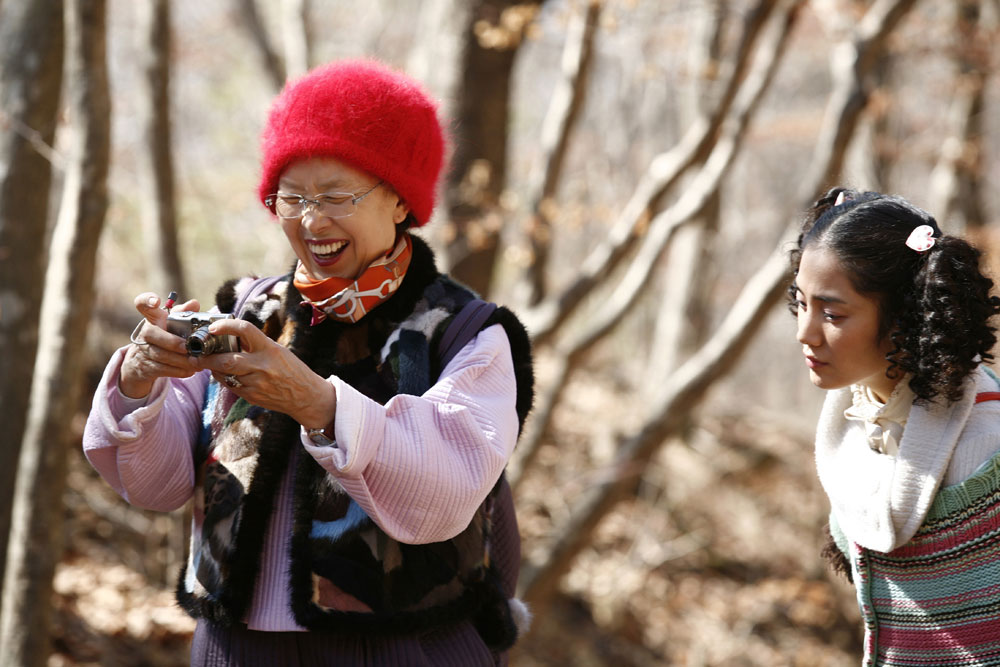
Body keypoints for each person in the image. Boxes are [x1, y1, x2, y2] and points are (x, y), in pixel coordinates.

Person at [83, 59, 534, 667]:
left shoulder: (466, 332)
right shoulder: (245, 310)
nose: (312, 221)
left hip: (405, 648)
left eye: (337, 196)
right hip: (234, 647)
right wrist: (141, 381)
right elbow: (157, 485)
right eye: (291, 197)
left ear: (401, 200)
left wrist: (317, 403)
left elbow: (444, 491)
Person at [790, 187, 1000, 665]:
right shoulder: (855, 422)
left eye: (832, 313)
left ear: (907, 315)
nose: (805, 332)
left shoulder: (987, 446)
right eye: (801, 302)